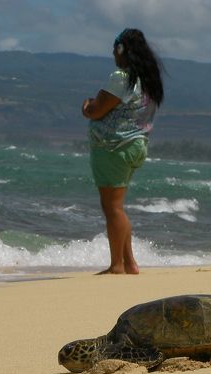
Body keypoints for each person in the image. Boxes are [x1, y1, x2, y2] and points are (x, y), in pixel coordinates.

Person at [81, 28, 164, 274]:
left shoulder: (122, 77)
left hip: (114, 147)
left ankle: (117, 265)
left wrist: (87, 105)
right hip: (135, 146)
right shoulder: (147, 80)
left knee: (112, 208)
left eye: (114, 49)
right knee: (118, 206)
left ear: (120, 50)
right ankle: (129, 262)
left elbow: (97, 109)